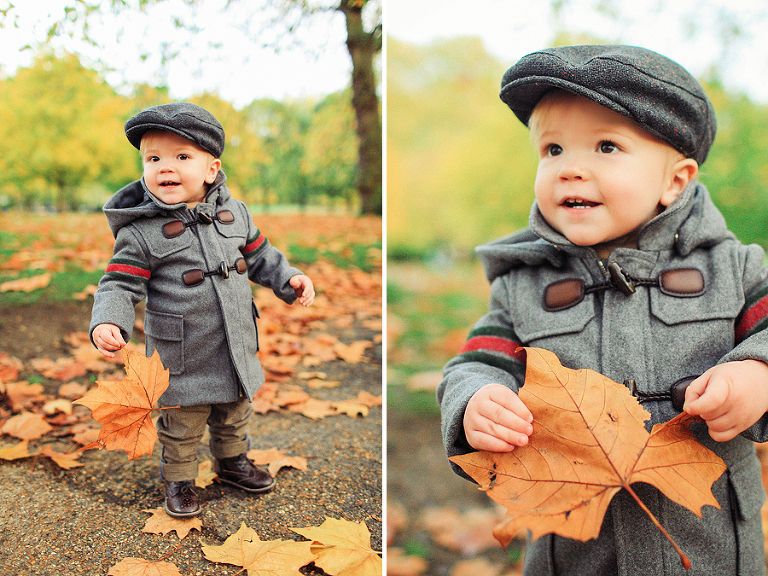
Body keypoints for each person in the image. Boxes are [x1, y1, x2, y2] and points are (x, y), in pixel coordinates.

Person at [438, 45, 768, 575]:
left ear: (674, 182)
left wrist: (758, 372)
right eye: (552, 150)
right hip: (575, 553)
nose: (570, 170)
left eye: (606, 146)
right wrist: (477, 400)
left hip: (709, 548)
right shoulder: (525, 284)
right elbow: (479, 360)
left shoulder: (733, 269)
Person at [90, 102, 315, 518]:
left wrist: (290, 279)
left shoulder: (236, 215)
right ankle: (179, 480)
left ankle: (232, 462)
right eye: (153, 158)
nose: (165, 168)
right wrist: (108, 318)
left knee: (234, 411)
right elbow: (119, 283)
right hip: (182, 353)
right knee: (182, 423)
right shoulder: (141, 233)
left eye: (181, 156)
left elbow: (263, 256)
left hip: (234, 345)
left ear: (211, 169)